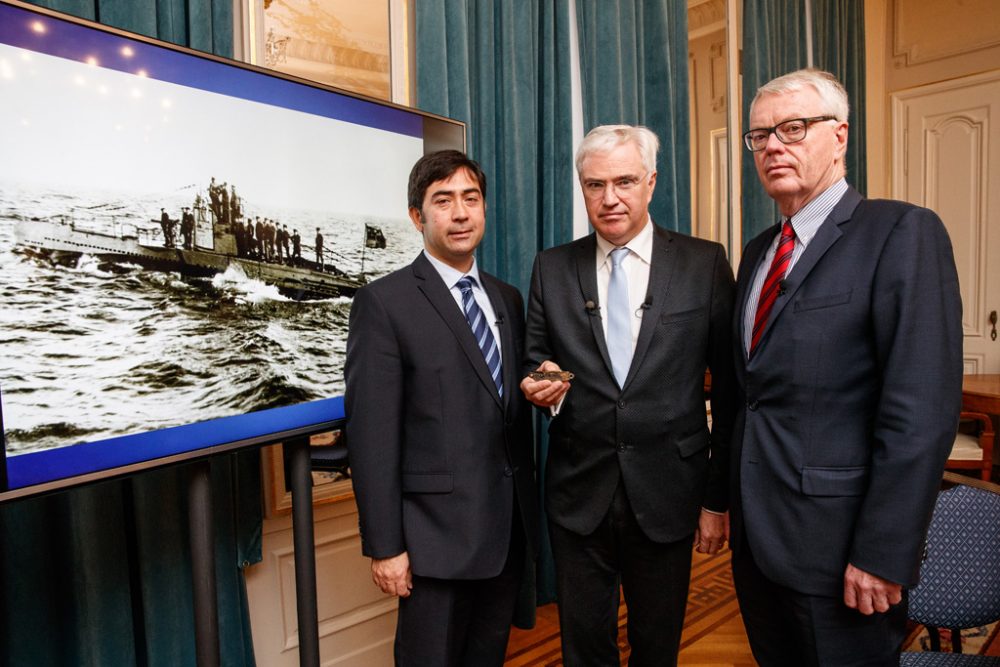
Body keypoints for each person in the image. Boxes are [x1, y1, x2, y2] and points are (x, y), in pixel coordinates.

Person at [730, 68, 963, 666]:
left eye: (794, 127)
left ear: (840, 136)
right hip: (761, 547)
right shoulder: (758, 251)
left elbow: (921, 413)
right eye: (760, 136)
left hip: (845, 555)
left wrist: (884, 553)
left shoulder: (900, 232)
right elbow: (752, 395)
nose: (774, 145)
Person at [520, 124, 736, 666]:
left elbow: (733, 392)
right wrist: (540, 381)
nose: (609, 198)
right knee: (584, 649)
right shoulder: (552, 266)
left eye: (624, 181)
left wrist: (715, 499)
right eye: (595, 185)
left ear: (651, 182)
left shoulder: (704, 264)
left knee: (656, 646)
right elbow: (536, 357)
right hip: (577, 491)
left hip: (669, 491)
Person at [345, 149, 539, 666]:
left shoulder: (507, 299)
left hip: (504, 535)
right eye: (443, 200)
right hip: (433, 545)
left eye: (470, 199)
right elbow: (372, 436)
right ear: (417, 216)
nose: (459, 213)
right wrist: (386, 547)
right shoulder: (384, 303)